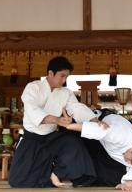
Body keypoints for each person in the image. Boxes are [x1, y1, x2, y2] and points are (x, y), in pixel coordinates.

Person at [8, 56, 97, 188]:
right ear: (50, 73)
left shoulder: (66, 93)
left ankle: (76, 177)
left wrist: (94, 119)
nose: (64, 80)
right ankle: (49, 178)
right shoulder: (33, 87)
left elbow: (76, 108)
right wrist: (57, 120)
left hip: (51, 137)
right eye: (62, 76)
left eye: (66, 77)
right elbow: (32, 109)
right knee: (17, 180)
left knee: (73, 142)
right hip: (32, 138)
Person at [65, 107, 132, 191]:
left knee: (113, 180)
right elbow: (96, 129)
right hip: (98, 127)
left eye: (131, 162)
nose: (128, 163)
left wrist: (131, 183)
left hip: (108, 149)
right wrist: (68, 126)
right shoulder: (119, 135)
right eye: (130, 160)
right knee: (77, 143)